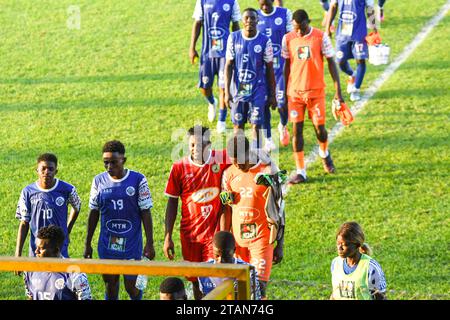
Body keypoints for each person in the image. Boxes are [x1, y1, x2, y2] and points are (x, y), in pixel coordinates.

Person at [164, 125, 230, 300]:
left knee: (212, 280)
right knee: (194, 280)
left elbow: (247, 155)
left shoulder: (222, 159)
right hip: (190, 235)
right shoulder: (179, 168)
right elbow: (172, 202)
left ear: (209, 144)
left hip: (213, 235)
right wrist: (167, 236)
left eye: (199, 145)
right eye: (192, 145)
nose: (195, 149)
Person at [84, 140, 155, 300]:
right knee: (110, 284)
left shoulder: (138, 180)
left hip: (131, 243)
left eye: (113, 162)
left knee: (132, 287)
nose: (109, 167)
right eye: (106, 163)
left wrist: (149, 242)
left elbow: (145, 212)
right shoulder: (98, 181)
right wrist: (87, 243)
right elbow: (94, 212)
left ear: (123, 160)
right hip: (107, 243)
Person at [282, 9, 344, 184]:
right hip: (295, 94)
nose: (298, 31)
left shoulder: (320, 37)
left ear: (308, 22)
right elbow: (286, 66)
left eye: (301, 28)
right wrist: (284, 91)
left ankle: (324, 154)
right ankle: (301, 171)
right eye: (295, 28)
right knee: (297, 131)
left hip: (316, 92)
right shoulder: (288, 38)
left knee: (320, 130)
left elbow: (331, 62)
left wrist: (338, 91)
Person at [221, 134, 284, 299]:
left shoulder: (268, 170)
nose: (237, 164)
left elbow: (280, 208)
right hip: (237, 242)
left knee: (258, 289)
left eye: (240, 160)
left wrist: (280, 243)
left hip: (262, 238)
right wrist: (223, 241)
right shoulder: (228, 174)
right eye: (233, 161)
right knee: (237, 291)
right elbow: (226, 209)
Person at [224, 8, 277, 151]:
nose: (249, 21)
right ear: (242, 20)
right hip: (238, 90)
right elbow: (228, 65)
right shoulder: (233, 38)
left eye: (252, 18)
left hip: (257, 90)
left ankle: (256, 157)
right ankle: (239, 157)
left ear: (257, 20)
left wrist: (272, 94)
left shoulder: (265, 41)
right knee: (238, 126)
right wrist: (227, 92)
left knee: (256, 125)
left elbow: (270, 69)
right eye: (246, 18)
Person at [15, 153, 81, 261]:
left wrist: (67, 230)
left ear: (56, 171)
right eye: (43, 169)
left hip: (59, 247)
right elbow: (24, 223)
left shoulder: (68, 190)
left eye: (50, 169)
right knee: (36, 277)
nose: (47, 172)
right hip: (37, 248)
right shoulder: (27, 192)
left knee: (59, 276)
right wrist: (18, 254)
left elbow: (77, 207)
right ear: (37, 170)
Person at [190, 0, 241, 133]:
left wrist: (238, 48)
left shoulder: (232, 2)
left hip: (225, 53)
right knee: (204, 87)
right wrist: (192, 47)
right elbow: (197, 23)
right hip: (207, 53)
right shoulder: (202, 1)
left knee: (223, 87)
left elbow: (236, 26)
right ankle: (212, 102)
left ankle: (222, 120)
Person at [257, 0, 293, 150]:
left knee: (282, 102)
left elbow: (292, 38)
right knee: (264, 103)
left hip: (280, 68)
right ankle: (268, 138)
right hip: (262, 70)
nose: (265, 7)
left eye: (267, 4)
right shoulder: (253, 16)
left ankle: (283, 125)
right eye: (262, 4)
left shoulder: (285, 14)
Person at [325, 0, 378, 102]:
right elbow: (333, 7)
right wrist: (327, 28)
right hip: (342, 33)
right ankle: (352, 74)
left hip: (359, 33)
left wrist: (374, 28)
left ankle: (356, 89)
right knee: (340, 61)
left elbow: (370, 9)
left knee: (361, 60)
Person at [24, 225, 92, 300]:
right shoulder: (30, 271)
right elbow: (31, 296)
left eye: (41, 248)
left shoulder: (75, 274)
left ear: (56, 250)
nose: (36, 251)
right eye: (37, 247)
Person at [331, 221, 387, 300]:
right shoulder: (335, 264)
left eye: (344, 244)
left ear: (357, 245)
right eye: (338, 243)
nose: (339, 248)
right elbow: (335, 293)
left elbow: (381, 297)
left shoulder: (371, 268)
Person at [199, 231, 262, 300]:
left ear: (234, 250)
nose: (220, 261)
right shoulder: (203, 271)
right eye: (217, 256)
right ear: (213, 250)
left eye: (225, 256)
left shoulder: (248, 272)